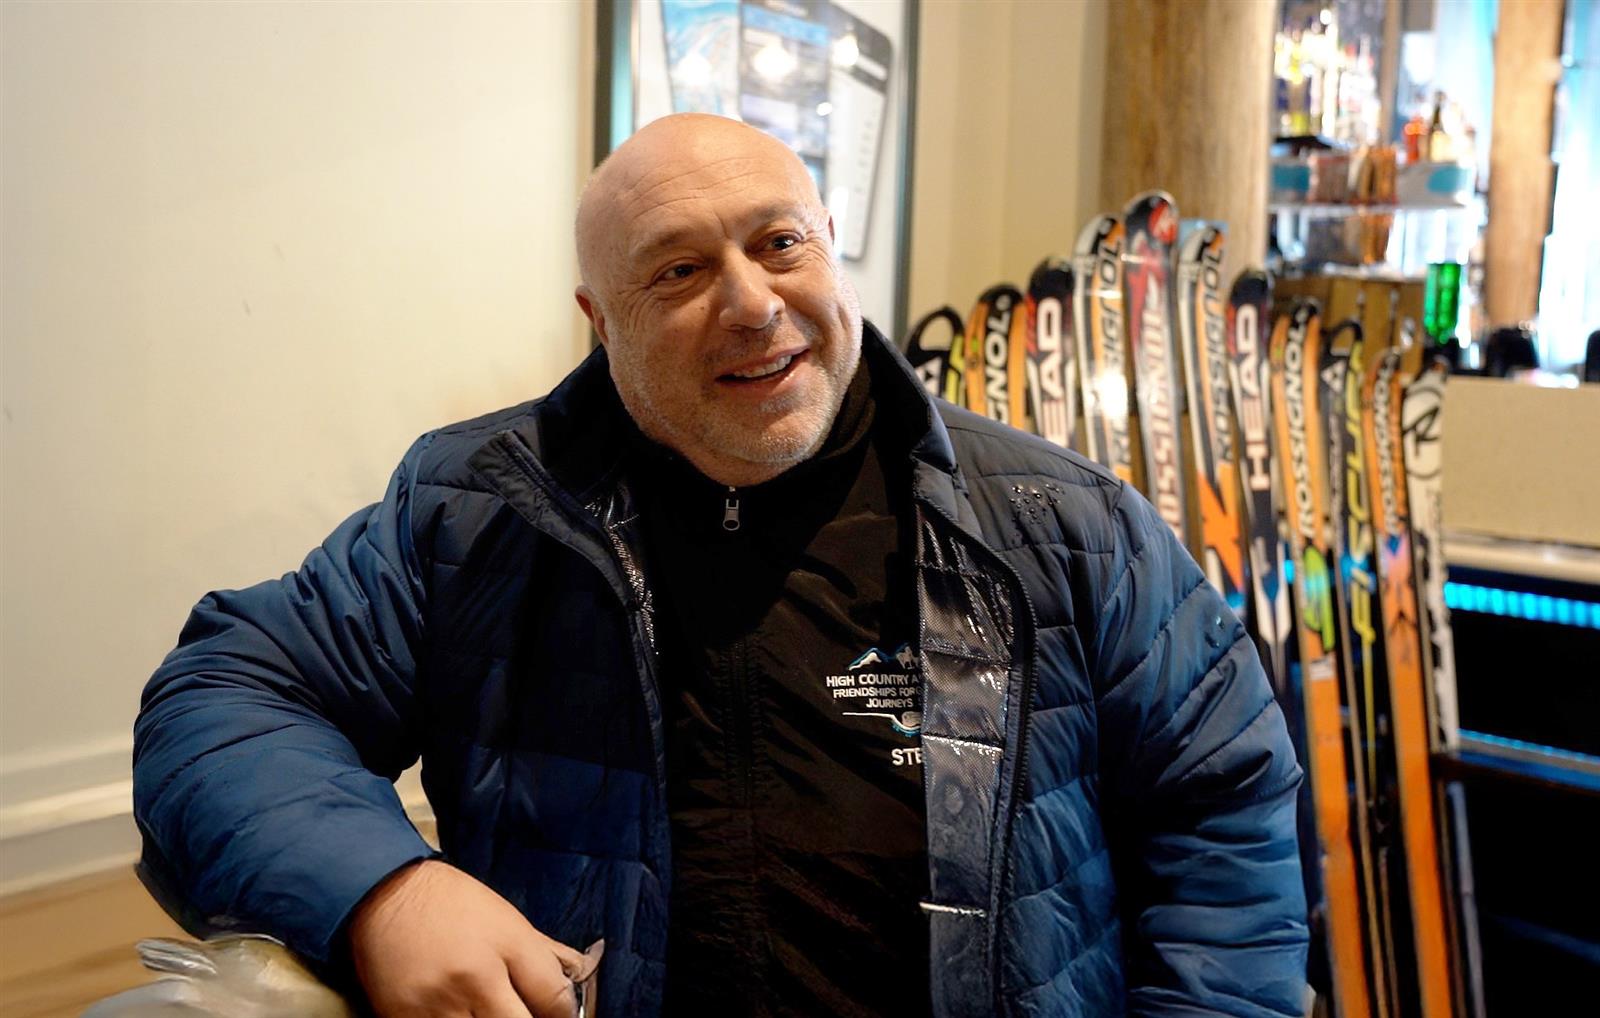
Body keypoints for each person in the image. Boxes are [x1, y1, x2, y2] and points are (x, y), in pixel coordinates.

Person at [133, 114, 1308, 1018]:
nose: (752, 304)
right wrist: (384, 892)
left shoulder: (1065, 523)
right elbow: (224, 698)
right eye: (678, 271)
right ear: (600, 320)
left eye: (778, 242)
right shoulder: (473, 513)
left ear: (828, 245)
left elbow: (1224, 813)